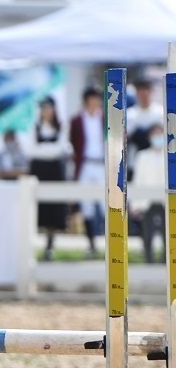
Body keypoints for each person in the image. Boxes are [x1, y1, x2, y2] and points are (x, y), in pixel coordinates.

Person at [28, 97, 70, 260]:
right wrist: (48, 150)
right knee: (38, 209)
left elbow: (60, 149)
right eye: (43, 108)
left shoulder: (61, 127)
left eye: (48, 108)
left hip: (54, 172)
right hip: (39, 171)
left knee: (53, 210)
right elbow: (30, 150)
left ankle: (49, 246)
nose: (45, 112)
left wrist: (42, 150)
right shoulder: (35, 127)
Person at [69, 86, 105, 258]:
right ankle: (92, 244)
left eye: (96, 99)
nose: (94, 103)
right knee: (87, 204)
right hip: (86, 164)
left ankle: (110, 241)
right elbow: (72, 142)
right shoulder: (77, 120)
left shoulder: (104, 117)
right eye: (92, 99)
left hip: (102, 164)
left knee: (108, 202)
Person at [131, 122, 166, 263]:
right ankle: (149, 261)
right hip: (147, 202)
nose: (157, 137)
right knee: (147, 234)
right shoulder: (142, 156)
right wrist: (135, 205)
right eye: (155, 134)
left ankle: (166, 263)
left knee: (168, 235)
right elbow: (138, 180)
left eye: (160, 134)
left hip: (165, 201)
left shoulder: (170, 157)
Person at [127, 78, 163, 180]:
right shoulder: (130, 114)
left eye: (146, 92)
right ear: (137, 94)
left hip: (157, 159)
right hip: (135, 159)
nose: (144, 96)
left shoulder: (160, 112)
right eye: (141, 93)